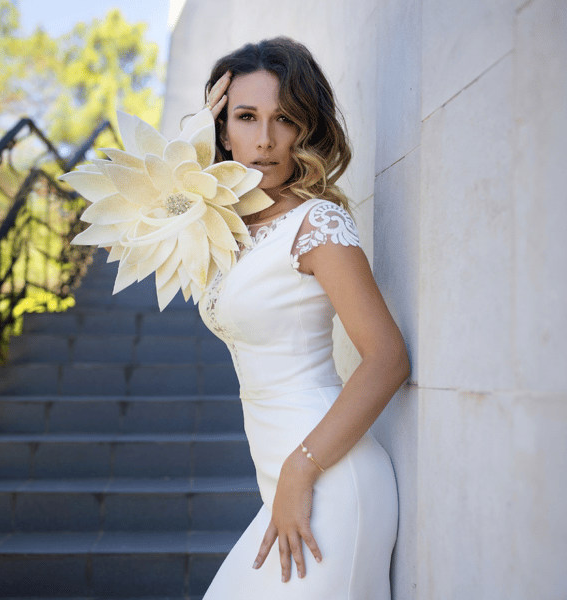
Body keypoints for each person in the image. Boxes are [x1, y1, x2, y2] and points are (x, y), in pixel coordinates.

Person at [196, 37, 410, 600]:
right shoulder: (228, 230)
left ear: (305, 130)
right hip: (283, 481)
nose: (264, 140)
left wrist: (300, 470)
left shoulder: (316, 225)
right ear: (222, 130)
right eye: (246, 117)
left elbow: (387, 359)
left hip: (327, 477)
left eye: (284, 119)